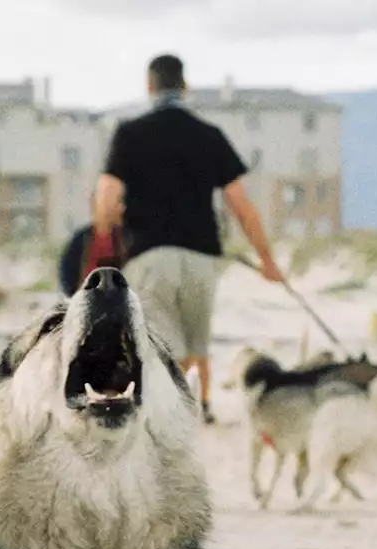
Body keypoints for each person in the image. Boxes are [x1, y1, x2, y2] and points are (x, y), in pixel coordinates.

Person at [95, 53, 284, 424]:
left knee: (162, 340)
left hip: (149, 252)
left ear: (149, 86)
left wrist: (108, 237)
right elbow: (241, 206)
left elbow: (106, 199)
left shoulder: (129, 133)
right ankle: (198, 406)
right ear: (186, 87)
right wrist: (267, 260)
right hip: (202, 255)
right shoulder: (208, 135)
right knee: (197, 340)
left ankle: (172, 411)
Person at [58, 191, 127, 297]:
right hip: (88, 299)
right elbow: (66, 272)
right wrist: (75, 299)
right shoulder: (81, 239)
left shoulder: (125, 238)